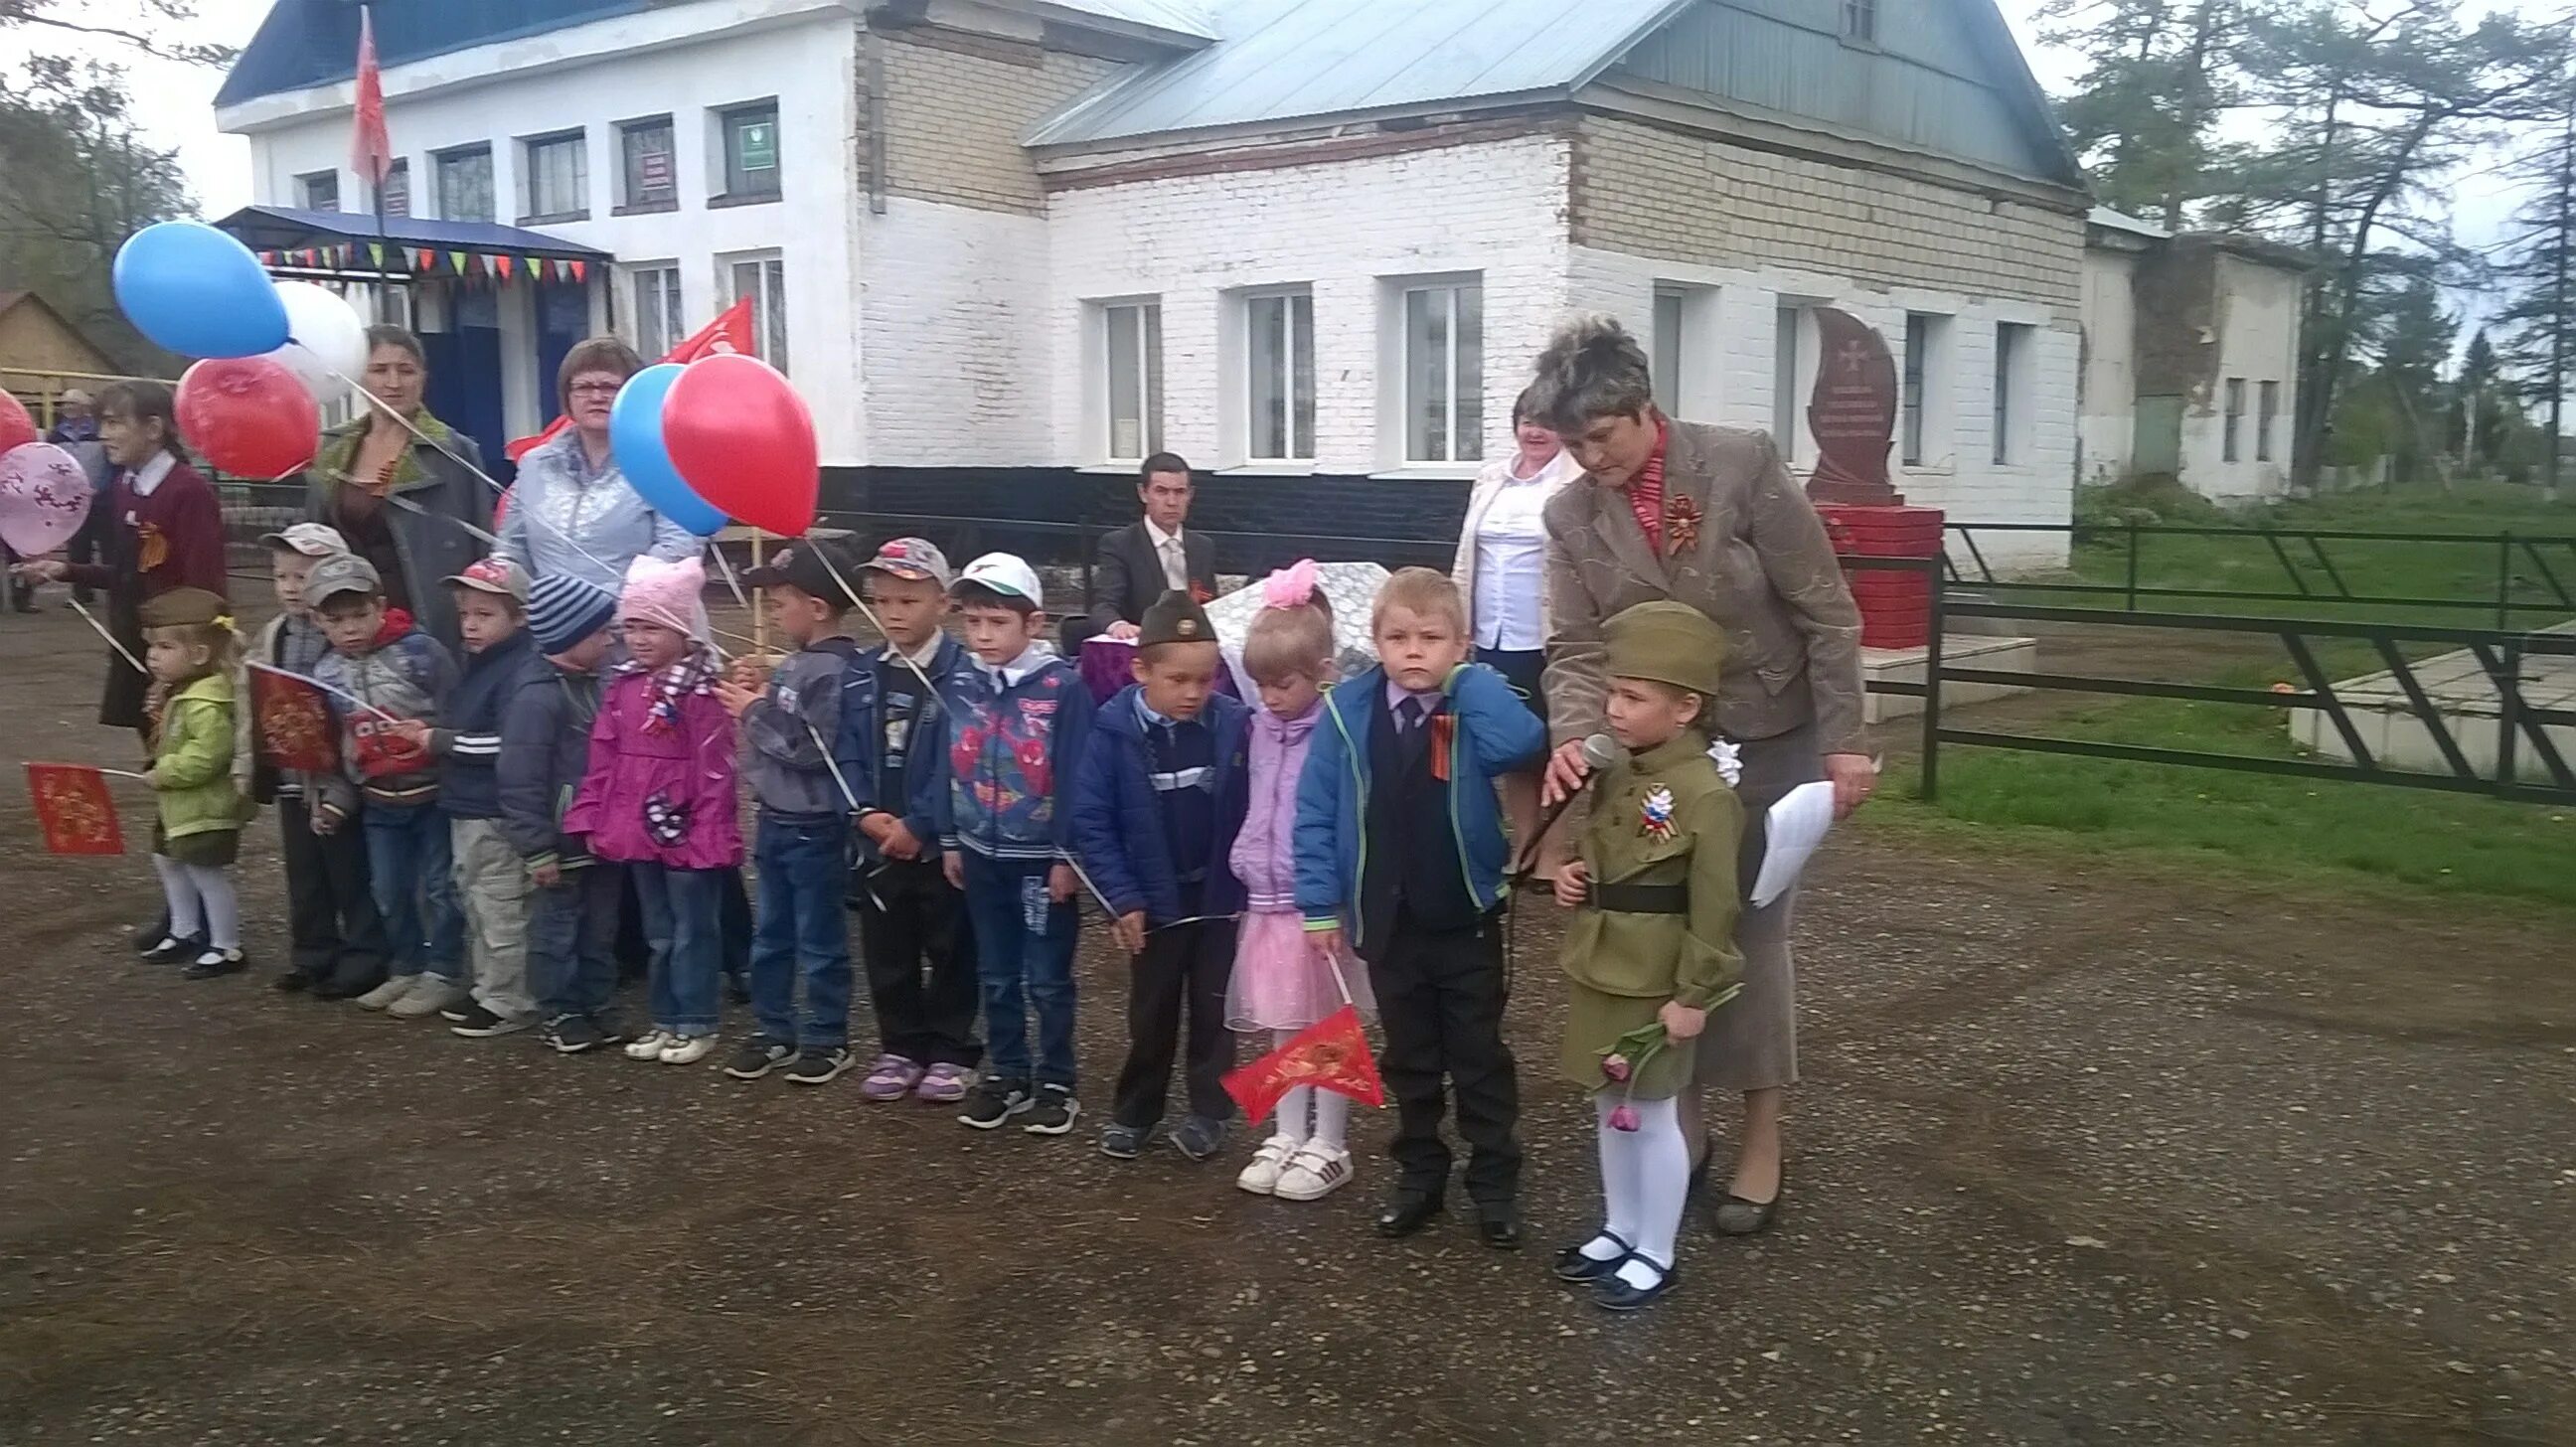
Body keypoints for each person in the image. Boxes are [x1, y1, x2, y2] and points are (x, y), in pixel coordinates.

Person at [1529, 314, 1870, 1234]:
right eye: (1569, 443)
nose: (1587, 459)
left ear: (1644, 410)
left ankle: (1763, 1135)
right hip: (1652, 760)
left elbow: (1828, 613)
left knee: (1746, 937)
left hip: (1766, 741)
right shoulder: (1567, 515)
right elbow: (1574, 646)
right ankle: (1686, 1126)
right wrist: (1573, 734)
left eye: (1599, 437)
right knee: (1658, 937)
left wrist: (1844, 740)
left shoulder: (1741, 465)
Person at [1294, 567, 1545, 1246]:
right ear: (1374, 641)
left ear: (1460, 644)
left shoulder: (1470, 704)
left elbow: (1523, 743)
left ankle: (1494, 1187)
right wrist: (1319, 905)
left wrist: (1471, 682)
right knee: (1410, 1058)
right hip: (1387, 921)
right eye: (1397, 637)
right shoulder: (1345, 712)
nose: (1414, 652)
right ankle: (1419, 1180)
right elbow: (1315, 812)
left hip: (1463, 918)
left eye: (1431, 639)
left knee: (1478, 1058)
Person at [1549, 602, 1745, 1313]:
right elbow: (1606, 851)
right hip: (1601, 962)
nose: (1614, 709)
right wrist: (1573, 872)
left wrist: (1694, 994)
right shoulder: (1617, 772)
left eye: (1633, 697)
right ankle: (1619, 1226)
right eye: (1613, 693)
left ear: (1686, 708)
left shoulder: (1706, 796)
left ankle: (1657, 1250)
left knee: (1653, 1112)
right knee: (1608, 1103)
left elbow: (1715, 907)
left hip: (1657, 979)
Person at [1073, 589, 1249, 1165]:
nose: (1194, 693)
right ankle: (1136, 1110)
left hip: (1220, 899)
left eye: (1206, 679)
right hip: (1153, 902)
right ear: (1141, 669)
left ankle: (1209, 1111)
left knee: (1215, 1010)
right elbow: (1092, 822)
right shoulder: (1111, 734)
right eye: (1178, 680)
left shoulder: (1235, 725)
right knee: (1151, 1015)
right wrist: (1122, 899)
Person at [1226, 562, 1374, 1203]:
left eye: (1282, 684)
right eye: (1260, 685)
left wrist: (1334, 891)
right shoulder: (1258, 726)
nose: (1270, 698)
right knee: (1285, 1023)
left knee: (1329, 1024)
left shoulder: (1337, 731)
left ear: (1321, 673)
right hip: (1265, 899)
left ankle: (1330, 1142)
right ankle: (1288, 1132)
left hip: (1316, 901)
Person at [938, 554, 1094, 1135]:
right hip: (979, 854)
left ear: (1034, 623)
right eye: (973, 621)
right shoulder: (958, 681)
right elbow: (944, 762)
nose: (982, 635)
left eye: (997, 622)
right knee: (996, 972)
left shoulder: (1062, 689)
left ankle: (1057, 1078)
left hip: (1039, 863)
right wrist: (951, 838)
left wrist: (1067, 854)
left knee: (1047, 977)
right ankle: (1007, 1072)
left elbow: (1077, 773)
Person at [567, 557, 742, 1066]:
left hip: (687, 831)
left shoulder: (701, 692)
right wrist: (593, 815)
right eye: (632, 628)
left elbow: (716, 768)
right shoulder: (622, 688)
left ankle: (697, 1021)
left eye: (653, 627)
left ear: (682, 629)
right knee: (659, 933)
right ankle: (666, 1020)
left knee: (693, 929)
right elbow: (603, 757)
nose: (639, 639)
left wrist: (707, 834)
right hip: (638, 830)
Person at [834, 538, 983, 1103]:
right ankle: (900, 1045)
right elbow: (844, 748)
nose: (894, 612)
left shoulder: (963, 676)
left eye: (909, 601)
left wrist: (920, 824)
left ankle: (951, 1048)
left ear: (943, 603)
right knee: (886, 948)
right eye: (884, 600)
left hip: (936, 843)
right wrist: (865, 813)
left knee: (951, 948)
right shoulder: (862, 673)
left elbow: (963, 763)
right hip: (877, 842)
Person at [715, 540, 864, 1086]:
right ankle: (773, 1028)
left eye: (781, 604)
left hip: (815, 825)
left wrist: (752, 710)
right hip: (776, 817)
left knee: (819, 936)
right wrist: (764, 690)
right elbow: (787, 718)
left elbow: (809, 748)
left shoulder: (836, 670)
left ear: (818, 608)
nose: (773, 615)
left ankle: (827, 1035)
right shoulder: (802, 662)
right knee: (771, 933)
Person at [16, 381, 228, 739]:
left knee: (188, 758)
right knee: (155, 753)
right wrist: (65, 570)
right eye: (103, 424)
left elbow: (205, 587)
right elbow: (129, 573)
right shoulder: (125, 487)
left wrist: (192, 662)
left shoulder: (187, 490)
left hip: (181, 653)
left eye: (115, 423)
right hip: (137, 642)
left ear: (154, 429)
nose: (103, 435)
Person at [306, 553, 466, 1020]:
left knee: (440, 887)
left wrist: (449, 758)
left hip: (433, 794)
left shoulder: (421, 654)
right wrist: (336, 800)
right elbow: (335, 748)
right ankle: (407, 965)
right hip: (378, 802)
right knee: (389, 889)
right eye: (336, 620)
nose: (350, 628)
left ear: (380, 605)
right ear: (319, 622)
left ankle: (444, 971)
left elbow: (457, 712)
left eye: (359, 614)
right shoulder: (326, 674)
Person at [238, 524, 387, 999]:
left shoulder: (349, 639)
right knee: (304, 872)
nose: (291, 587)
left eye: (303, 576)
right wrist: (250, 764)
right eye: (281, 576)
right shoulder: (273, 633)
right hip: (290, 773)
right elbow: (252, 700)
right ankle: (312, 952)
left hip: (338, 775)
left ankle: (365, 955)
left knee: (348, 869)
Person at [401, 558, 541, 1040]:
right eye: (466, 614)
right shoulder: (481, 663)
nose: (471, 625)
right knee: (476, 899)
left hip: (496, 808)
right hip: (468, 804)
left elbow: (505, 742)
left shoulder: (522, 669)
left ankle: (511, 998)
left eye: (486, 614)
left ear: (520, 617)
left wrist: (438, 741)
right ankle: (488, 985)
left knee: (501, 904)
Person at [1453, 386, 1585, 882]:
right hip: (1491, 633)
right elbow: (1467, 559)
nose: (1534, 430)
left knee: (1555, 748)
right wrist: (1456, 625)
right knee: (1514, 747)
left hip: (1549, 635)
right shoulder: (1491, 478)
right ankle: (1524, 850)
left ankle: (1554, 855)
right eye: (1526, 420)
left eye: (1546, 422)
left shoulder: (1578, 481)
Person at [500, 574, 627, 1055]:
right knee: (556, 931)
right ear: (570, 636)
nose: (610, 639)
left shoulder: (603, 682)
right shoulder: (536, 698)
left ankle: (596, 1002)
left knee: (601, 928)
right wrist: (535, 847)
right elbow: (520, 778)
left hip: (602, 839)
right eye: (600, 633)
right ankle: (560, 1010)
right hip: (559, 842)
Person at [305, 326, 492, 650]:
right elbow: (312, 540)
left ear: (423, 377)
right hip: (347, 620)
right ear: (358, 376)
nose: (393, 383)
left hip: (427, 623)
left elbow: (483, 549)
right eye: (379, 370)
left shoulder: (452, 451)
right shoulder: (331, 448)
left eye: (406, 370)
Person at [496, 338, 699, 592]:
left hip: (638, 622)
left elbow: (678, 549)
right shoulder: (535, 465)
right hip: (551, 623)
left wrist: (602, 607)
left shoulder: (662, 463)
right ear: (566, 397)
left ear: (632, 393)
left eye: (609, 386)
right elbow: (511, 548)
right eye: (583, 386)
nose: (596, 396)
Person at [136, 587, 249, 980]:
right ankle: (184, 929)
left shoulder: (206, 701)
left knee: (206, 873)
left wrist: (165, 771)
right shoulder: (181, 693)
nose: (153, 656)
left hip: (203, 806)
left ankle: (226, 945)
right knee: (168, 860)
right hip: (179, 806)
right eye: (152, 646)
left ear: (199, 654)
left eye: (165, 646)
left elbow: (208, 755)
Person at [1076, 453, 1215, 647]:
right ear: (1143, 493)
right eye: (1161, 491)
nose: (1172, 501)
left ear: (1190, 495)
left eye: (1180, 492)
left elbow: (1210, 604)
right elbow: (1103, 605)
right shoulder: (1120, 545)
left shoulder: (1203, 547)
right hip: (1146, 648)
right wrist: (1118, 626)